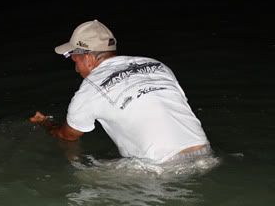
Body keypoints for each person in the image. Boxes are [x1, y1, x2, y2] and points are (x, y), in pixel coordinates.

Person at [29, 19, 211, 164]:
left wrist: (45, 123)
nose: (76, 68)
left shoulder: (91, 88)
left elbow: (67, 136)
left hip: (162, 167)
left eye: (74, 59)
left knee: (84, 178)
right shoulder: (156, 65)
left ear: (89, 58)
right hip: (206, 156)